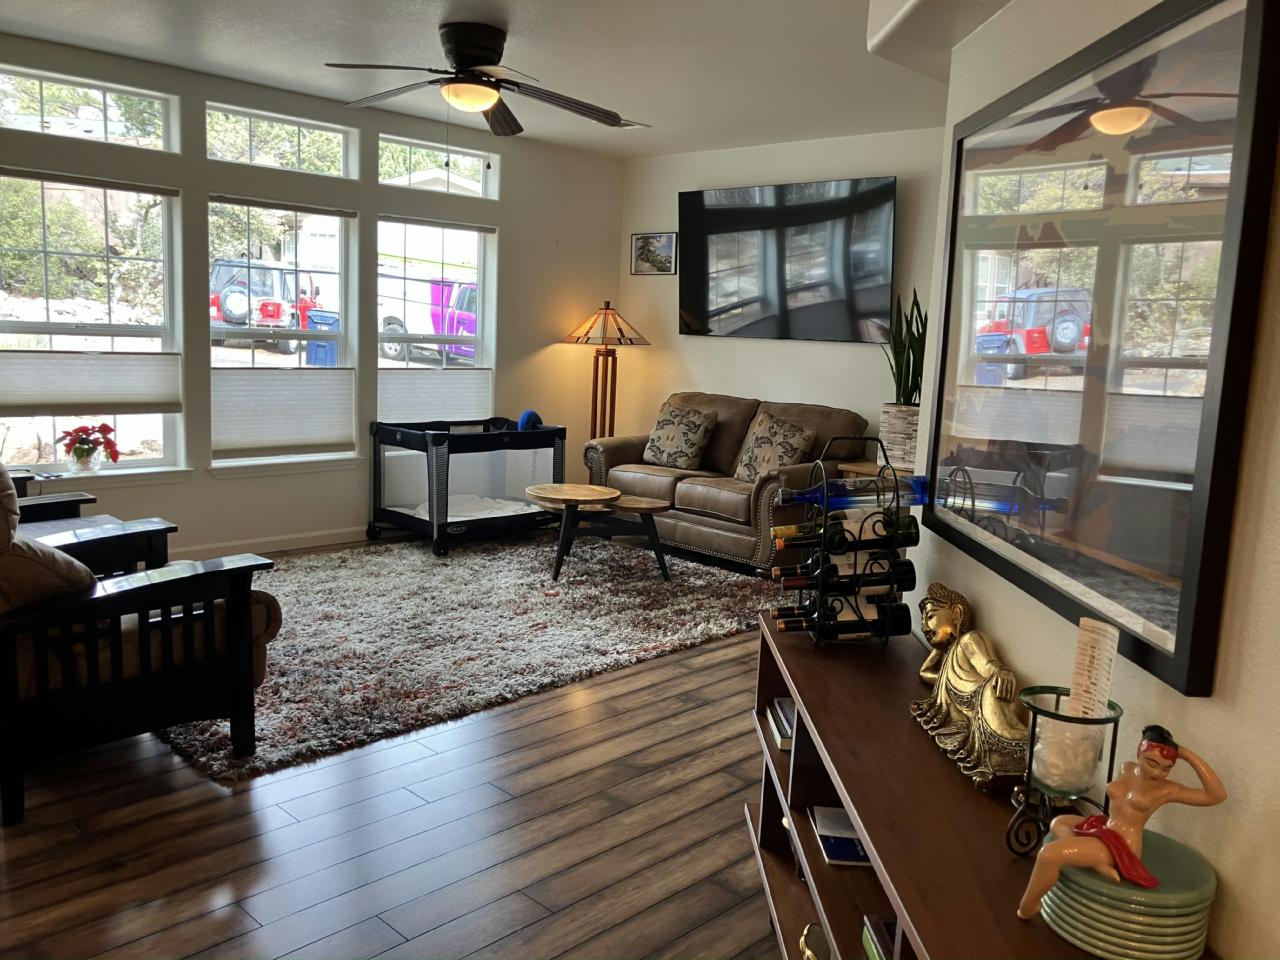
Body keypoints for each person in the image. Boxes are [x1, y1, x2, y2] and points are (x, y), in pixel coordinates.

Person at [1016, 724, 1227, 919]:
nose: (1157, 773)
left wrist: (1185, 754)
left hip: (1123, 845)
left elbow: (1216, 795)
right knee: (1059, 822)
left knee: (1048, 855)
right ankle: (1096, 861)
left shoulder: (1166, 789)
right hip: (1105, 828)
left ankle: (1028, 906)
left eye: (1166, 768)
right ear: (1139, 753)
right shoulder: (1127, 768)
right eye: (1152, 763)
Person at [909, 582, 1028, 785]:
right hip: (974, 711)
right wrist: (939, 647)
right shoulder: (950, 659)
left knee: (1001, 739)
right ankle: (1003, 760)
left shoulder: (970, 639)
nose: (925, 627)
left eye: (930, 617)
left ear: (956, 614)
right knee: (981, 741)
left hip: (992, 697)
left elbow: (987, 664)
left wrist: (1001, 671)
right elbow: (924, 673)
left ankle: (1016, 756)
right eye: (923, 621)